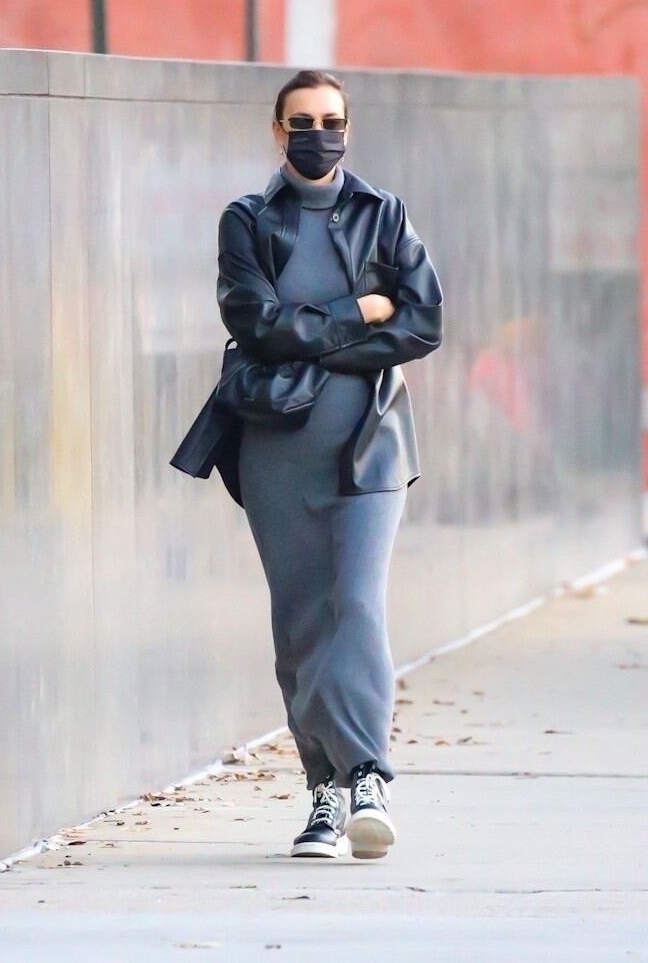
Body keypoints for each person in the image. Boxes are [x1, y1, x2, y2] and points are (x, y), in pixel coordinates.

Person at [215, 69, 443, 860]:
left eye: (331, 119)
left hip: (371, 442)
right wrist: (357, 313)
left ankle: (368, 776)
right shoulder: (247, 221)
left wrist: (314, 336)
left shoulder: (385, 214)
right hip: (277, 448)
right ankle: (324, 792)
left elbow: (422, 323)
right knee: (302, 620)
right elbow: (256, 326)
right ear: (278, 132)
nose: (319, 133)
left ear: (348, 126)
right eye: (302, 121)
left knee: (356, 602)